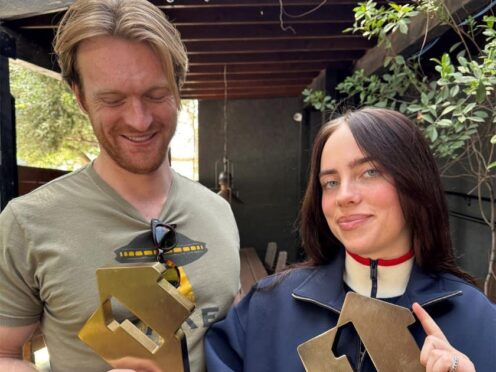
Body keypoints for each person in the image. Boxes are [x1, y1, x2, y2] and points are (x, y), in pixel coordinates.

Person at [0, 0, 240, 371]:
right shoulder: (27, 222)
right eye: (112, 99)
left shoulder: (218, 211)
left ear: (178, 87)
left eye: (155, 95)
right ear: (79, 96)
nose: (139, 120)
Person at [204, 107, 496, 371]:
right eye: (330, 182)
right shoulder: (264, 308)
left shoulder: (481, 322)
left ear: (415, 181)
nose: (344, 196)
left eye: (369, 172)